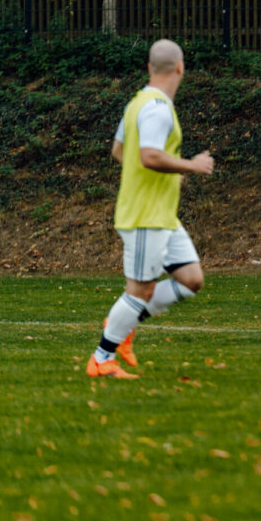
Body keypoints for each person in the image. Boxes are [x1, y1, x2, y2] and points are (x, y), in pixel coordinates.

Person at [86, 39, 215, 379]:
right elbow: (149, 156)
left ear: (149, 68)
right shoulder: (158, 109)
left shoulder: (137, 103)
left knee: (190, 280)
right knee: (140, 290)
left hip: (161, 215)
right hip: (145, 215)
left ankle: (123, 323)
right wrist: (191, 165)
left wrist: (167, 174)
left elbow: (119, 150)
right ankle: (102, 358)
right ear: (180, 67)